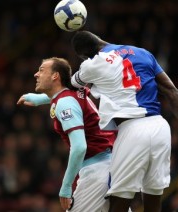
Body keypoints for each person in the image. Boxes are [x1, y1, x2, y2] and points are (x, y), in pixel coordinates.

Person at [70, 30, 178, 212]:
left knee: (119, 198)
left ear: (85, 56)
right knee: (153, 198)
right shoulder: (143, 53)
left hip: (131, 129)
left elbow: (73, 84)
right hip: (160, 128)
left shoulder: (91, 64)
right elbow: (172, 92)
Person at [17, 57, 116, 211]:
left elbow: (79, 147)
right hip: (110, 165)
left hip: (97, 172)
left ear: (55, 76)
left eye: (42, 70)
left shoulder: (64, 103)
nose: (36, 74)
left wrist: (66, 186)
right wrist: (39, 99)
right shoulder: (72, 92)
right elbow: (63, 96)